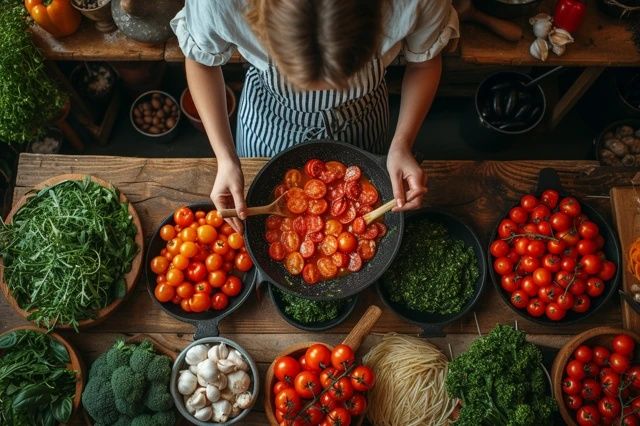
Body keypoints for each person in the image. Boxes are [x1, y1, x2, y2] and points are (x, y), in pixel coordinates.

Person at [171, 0, 459, 228]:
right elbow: (201, 62)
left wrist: (402, 144)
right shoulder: (221, 3)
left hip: (363, 119)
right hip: (269, 116)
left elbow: (424, 62)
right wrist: (225, 158)